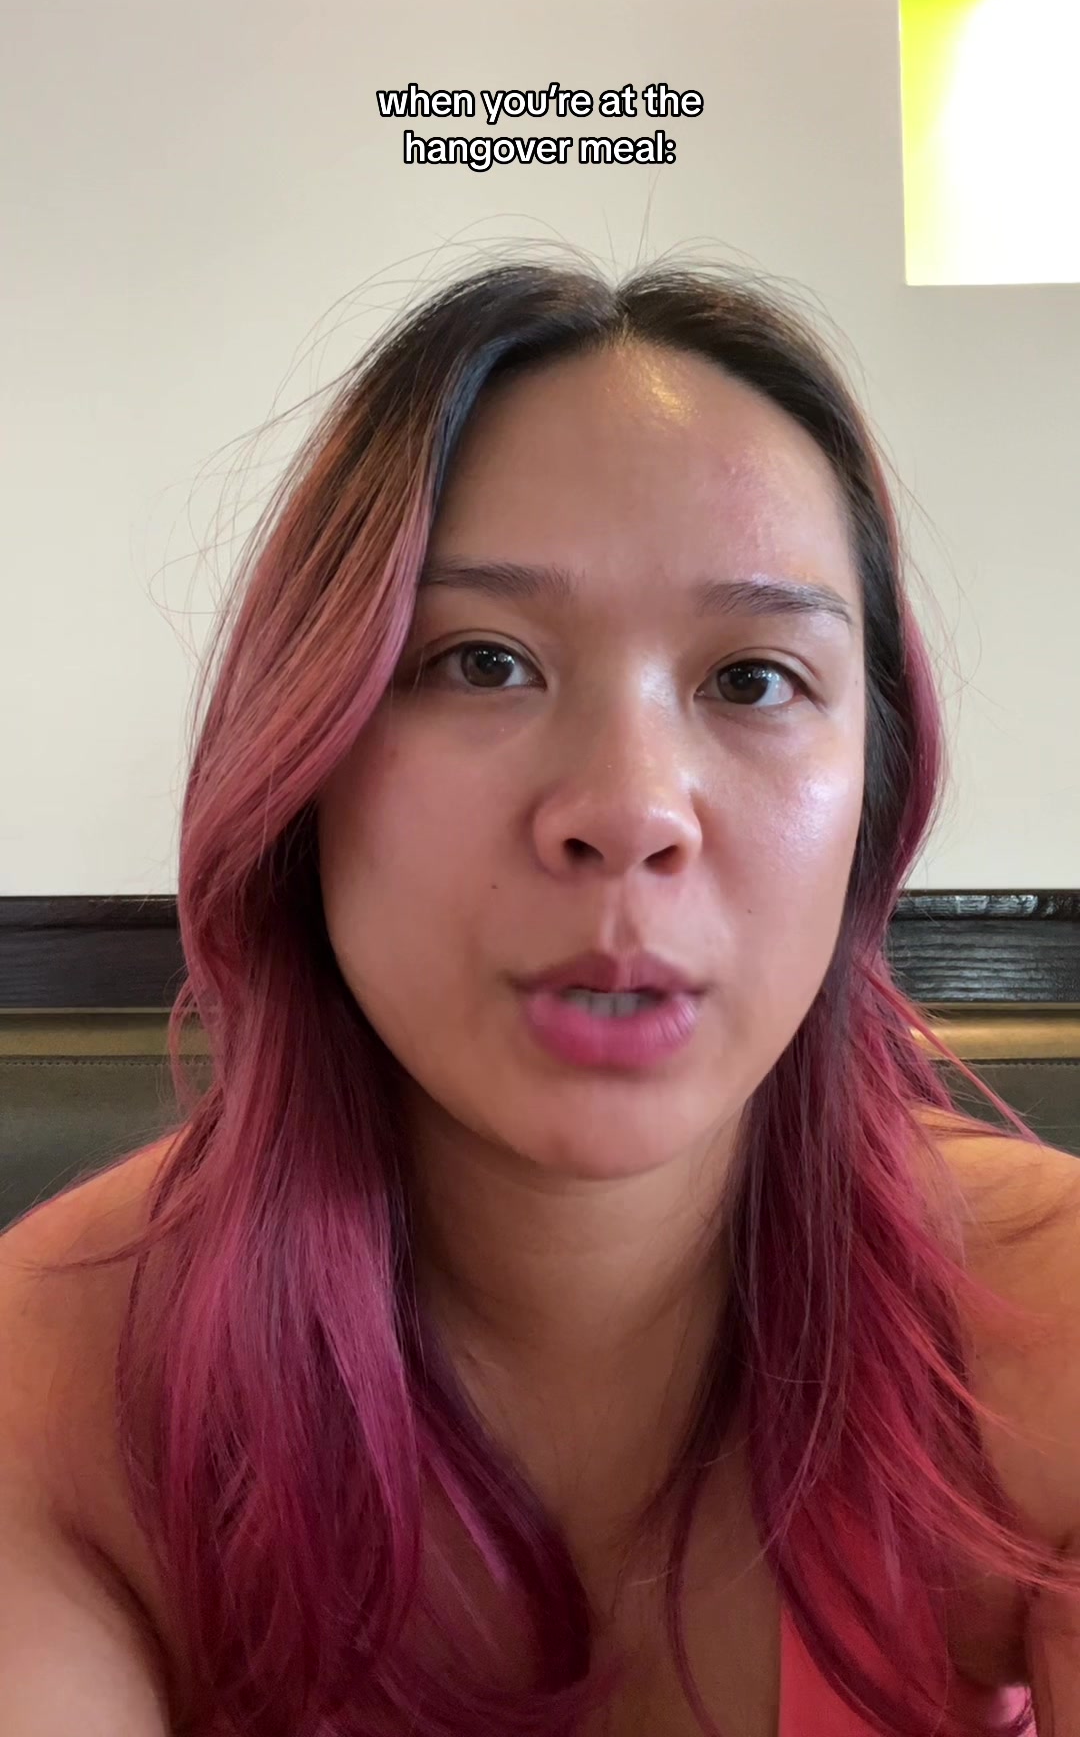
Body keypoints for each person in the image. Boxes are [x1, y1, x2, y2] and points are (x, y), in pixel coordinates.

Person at [1, 255, 1079, 1737]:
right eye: (482, 662)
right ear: (307, 758)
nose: (630, 810)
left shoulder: (1044, 1327)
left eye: (755, 680)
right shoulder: (52, 1386)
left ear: (873, 797)